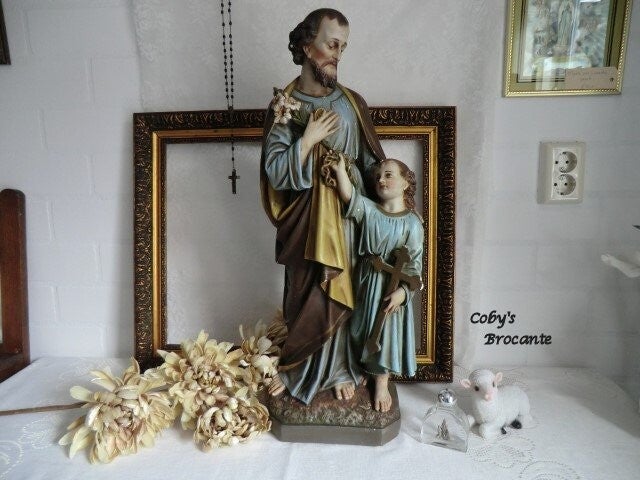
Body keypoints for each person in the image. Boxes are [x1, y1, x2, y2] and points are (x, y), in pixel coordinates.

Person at [260, 8, 385, 404]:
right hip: (305, 222)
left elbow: (371, 163)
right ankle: (298, 368)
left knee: (343, 291)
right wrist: (308, 140)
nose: (338, 55)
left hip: (345, 218)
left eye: (342, 47)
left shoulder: (352, 102)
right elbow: (275, 172)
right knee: (305, 293)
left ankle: (342, 369)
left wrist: (390, 206)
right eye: (332, 45)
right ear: (305, 45)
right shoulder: (285, 106)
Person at [331, 156, 423, 412]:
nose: (381, 180)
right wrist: (339, 170)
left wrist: (403, 293)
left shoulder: (412, 223)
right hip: (365, 282)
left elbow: (415, 268)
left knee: (385, 333)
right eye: (378, 176)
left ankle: (381, 382)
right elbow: (349, 196)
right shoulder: (370, 210)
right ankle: (360, 369)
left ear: (405, 182)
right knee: (359, 328)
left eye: (389, 175)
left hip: (390, 289)